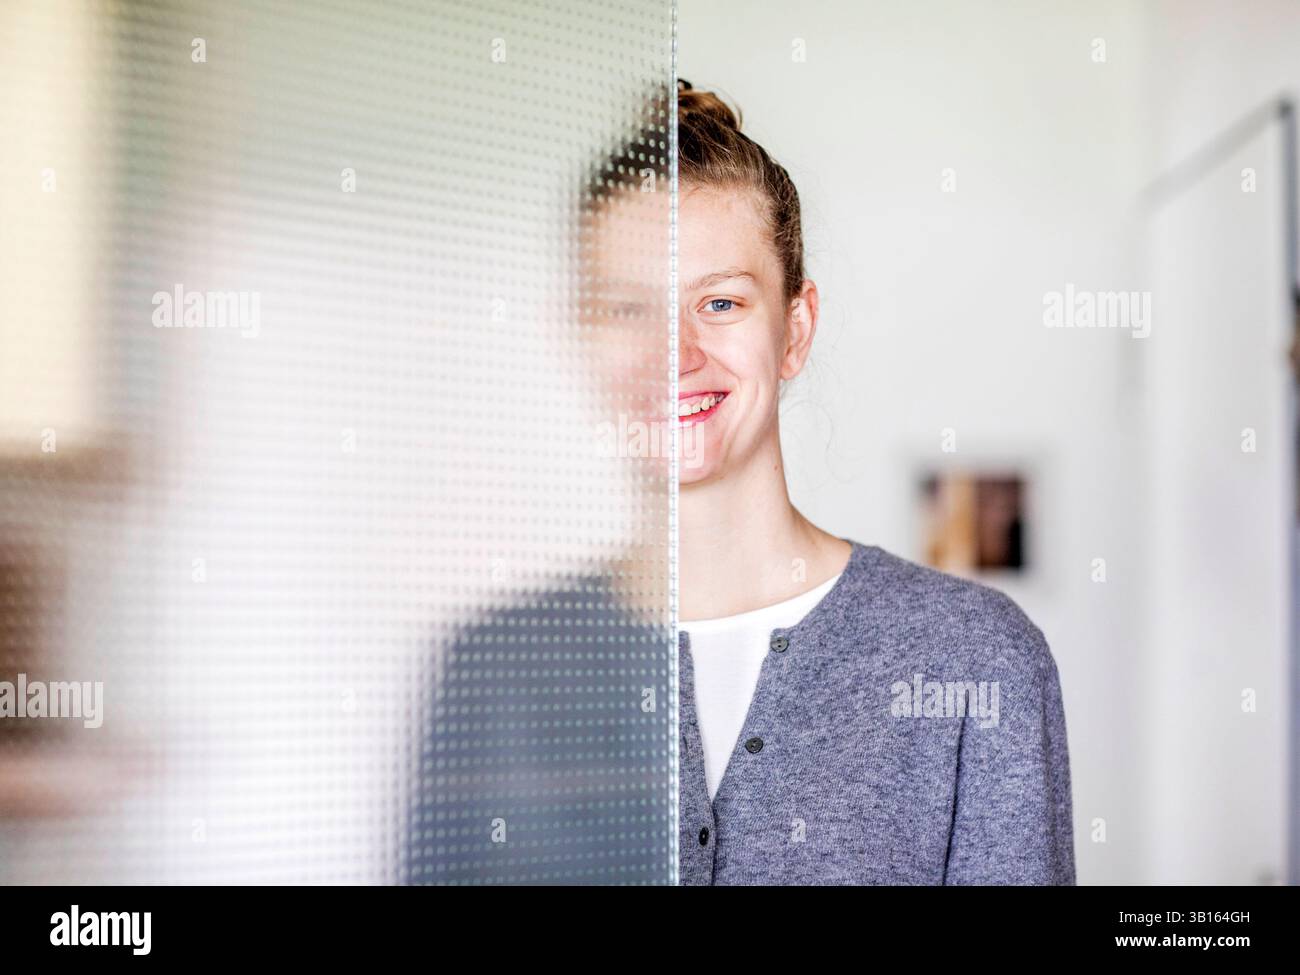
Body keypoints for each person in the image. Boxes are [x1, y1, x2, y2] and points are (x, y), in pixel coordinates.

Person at [673, 79, 1075, 884]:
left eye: (720, 302)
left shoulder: (976, 661)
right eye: (626, 311)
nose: (674, 354)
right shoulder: (506, 668)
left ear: (795, 331)